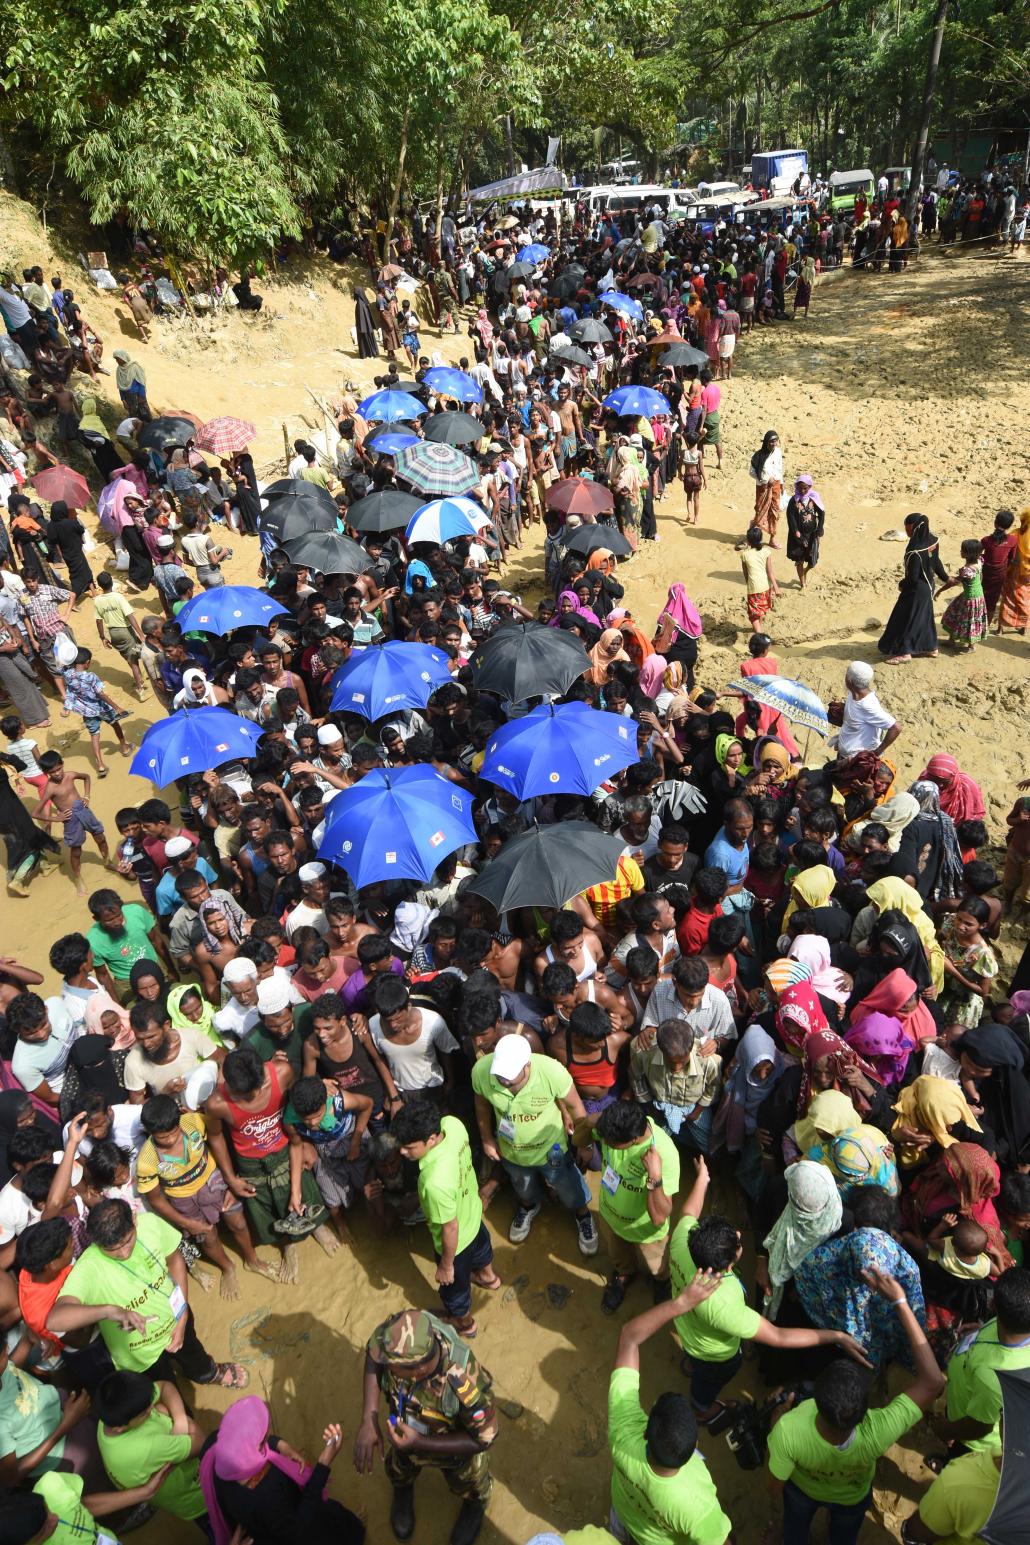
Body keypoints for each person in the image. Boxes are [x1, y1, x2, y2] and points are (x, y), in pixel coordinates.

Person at [669, 1156, 867, 1423]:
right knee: (708, 1380)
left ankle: (693, 1363)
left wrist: (703, 1179)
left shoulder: (682, 1242)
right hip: (713, 1353)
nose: (741, 1235)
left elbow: (687, 1214)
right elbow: (777, 1335)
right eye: (736, 1241)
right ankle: (703, 1408)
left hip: (689, 1330)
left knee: (697, 1357)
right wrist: (836, 1337)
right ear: (728, 1265)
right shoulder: (724, 1303)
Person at [766, 1266, 944, 1545]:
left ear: (816, 1398)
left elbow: (776, 1484)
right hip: (852, 1497)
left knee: (795, 1532)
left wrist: (777, 1415)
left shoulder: (788, 1428)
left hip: (802, 1492)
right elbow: (933, 1381)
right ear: (865, 1408)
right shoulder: (879, 1429)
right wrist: (900, 1302)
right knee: (844, 1536)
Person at [47, 1195, 247, 1388]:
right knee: (165, 1392)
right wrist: (109, 1311)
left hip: (177, 1318)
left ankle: (207, 1373)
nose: (124, 1253)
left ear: (134, 1220)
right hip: (139, 1353)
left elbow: (174, 1258)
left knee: (193, 1353)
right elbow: (55, 1319)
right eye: (112, 1249)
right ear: (96, 1242)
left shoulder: (150, 1223)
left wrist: (182, 1311)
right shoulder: (89, 1266)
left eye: (127, 1241)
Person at [353, 1307, 497, 1545]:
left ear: (417, 1370)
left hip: (454, 1451)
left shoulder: (463, 1380)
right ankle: (403, 1489)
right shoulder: (403, 1332)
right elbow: (373, 1351)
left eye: (392, 1367)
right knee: (400, 1468)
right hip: (404, 1433)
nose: (388, 1368)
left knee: (470, 1482)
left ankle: (473, 1506)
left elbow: (485, 1438)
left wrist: (421, 1442)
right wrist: (369, 1418)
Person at [607, 1270, 732, 1545]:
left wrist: (680, 1304)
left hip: (624, 1515)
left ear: (645, 1433)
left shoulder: (623, 1432)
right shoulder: (700, 1506)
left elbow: (629, 1337)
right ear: (693, 1449)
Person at [472, 1034, 598, 1255]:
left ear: (527, 1065)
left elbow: (577, 1109)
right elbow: (481, 1105)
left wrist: (584, 1145)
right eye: (500, 1074)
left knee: (569, 1187)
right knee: (523, 1185)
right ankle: (529, 1206)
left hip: (552, 1150)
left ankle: (583, 1215)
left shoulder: (552, 1072)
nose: (504, 1080)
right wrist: (487, 1139)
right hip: (512, 1151)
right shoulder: (482, 1071)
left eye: (510, 1075)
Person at [392, 1099, 499, 1336]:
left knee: (455, 1293)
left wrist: (446, 1266)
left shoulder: (433, 1182)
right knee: (482, 1252)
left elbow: (449, 1228)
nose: (402, 1151)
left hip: (456, 1245)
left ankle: (465, 1324)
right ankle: (489, 1278)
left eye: (409, 1147)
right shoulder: (452, 1125)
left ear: (430, 1140)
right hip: (473, 1216)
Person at [200, 1395, 365, 1544]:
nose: (270, 1432)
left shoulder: (218, 1454)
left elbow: (251, 1441)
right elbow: (299, 1529)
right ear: (256, 1446)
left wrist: (282, 1446)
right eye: (266, 1435)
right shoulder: (267, 1498)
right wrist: (323, 1464)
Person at [572, 1097, 681, 1314]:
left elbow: (659, 1216)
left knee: (657, 1267)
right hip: (610, 1218)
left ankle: (661, 1282)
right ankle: (623, 1274)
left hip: (646, 1232)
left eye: (609, 1142)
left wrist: (655, 1177)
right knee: (618, 1257)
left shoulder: (664, 1154)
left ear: (632, 1140)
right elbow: (578, 1140)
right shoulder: (611, 1125)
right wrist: (588, 1122)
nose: (603, 1142)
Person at [878, 513, 949, 664]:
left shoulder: (915, 550)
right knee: (923, 617)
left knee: (905, 619)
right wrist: (946, 578)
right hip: (929, 586)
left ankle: (904, 652)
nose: (908, 533)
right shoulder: (932, 541)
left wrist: (902, 585)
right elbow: (936, 562)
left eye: (909, 530)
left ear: (916, 528)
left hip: (916, 590)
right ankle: (931, 647)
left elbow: (913, 577)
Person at [937, 538, 988, 650]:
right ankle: (960, 642)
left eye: (962, 550)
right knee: (968, 618)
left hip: (970, 599)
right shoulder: (979, 561)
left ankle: (968, 645)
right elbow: (981, 577)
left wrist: (940, 591)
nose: (960, 552)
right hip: (976, 596)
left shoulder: (967, 570)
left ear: (968, 554)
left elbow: (954, 582)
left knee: (964, 619)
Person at [785, 476, 824, 588]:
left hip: (812, 534)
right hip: (798, 535)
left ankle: (806, 571)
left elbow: (821, 514)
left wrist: (820, 528)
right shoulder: (794, 500)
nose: (802, 491)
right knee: (799, 560)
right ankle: (803, 584)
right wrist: (797, 533)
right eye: (800, 488)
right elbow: (791, 518)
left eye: (805, 488)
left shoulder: (814, 498)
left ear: (809, 487)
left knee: (813, 560)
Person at [996, 506, 1030, 634]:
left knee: (1007, 597)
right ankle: (1023, 627)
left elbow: (1005, 552)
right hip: (1027, 576)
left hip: (1013, 572)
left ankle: (1001, 628)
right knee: (1025, 599)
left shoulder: (1014, 534)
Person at [748, 430, 784, 548]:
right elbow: (752, 472)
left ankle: (772, 539)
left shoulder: (778, 452)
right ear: (766, 442)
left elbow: (779, 469)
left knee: (774, 512)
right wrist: (766, 479)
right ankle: (753, 535)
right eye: (771, 442)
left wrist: (781, 484)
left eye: (775, 441)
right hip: (763, 488)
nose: (773, 444)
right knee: (760, 510)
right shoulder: (758, 456)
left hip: (776, 487)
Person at [740, 525, 779, 627]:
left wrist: (749, 586)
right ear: (761, 539)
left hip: (754, 587)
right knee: (762, 609)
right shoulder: (766, 552)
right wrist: (776, 587)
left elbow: (746, 575)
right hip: (766, 586)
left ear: (748, 541)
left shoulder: (745, 555)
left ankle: (759, 633)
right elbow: (770, 572)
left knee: (753, 616)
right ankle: (759, 628)